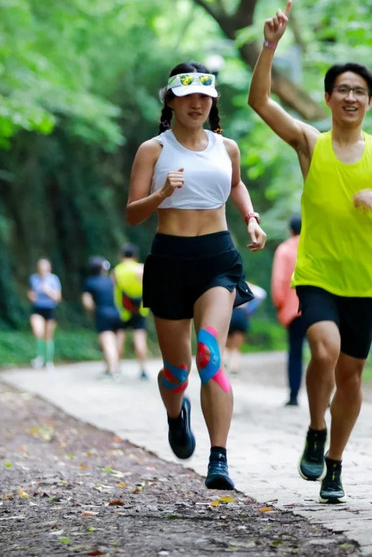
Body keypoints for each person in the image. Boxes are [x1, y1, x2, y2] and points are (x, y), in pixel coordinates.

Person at [248, 1, 372, 504]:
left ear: (369, 101)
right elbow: (260, 102)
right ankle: (314, 426)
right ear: (328, 98)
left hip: (363, 284)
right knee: (323, 351)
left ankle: (335, 464)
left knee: (350, 376)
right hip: (318, 274)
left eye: (360, 91)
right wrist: (270, 46)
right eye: (343, 89)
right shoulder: (310, 142)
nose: (351, 96)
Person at [126, 61, 267, 491]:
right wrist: (163, 193)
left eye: (205, 96)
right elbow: (133, 214)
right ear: (171, 100)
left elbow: (237, 184)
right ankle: (175, 413)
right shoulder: (153, 149)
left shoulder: (228, 148)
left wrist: (251, 217)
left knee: (209, 354)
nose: (197, 103)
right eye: (188, 96)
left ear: (213, 102)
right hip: (169, 258)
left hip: (217, 257)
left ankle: (219, 458)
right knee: (176, 370)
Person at [272, 212, 305, 407]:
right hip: (319, 308)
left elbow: (279, 281)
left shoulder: (284, 250)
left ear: (290, 229)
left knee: (295, 352)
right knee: (324, 352)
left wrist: (280, 304)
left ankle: (293, 396)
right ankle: (325, 396)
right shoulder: (316, 247)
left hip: (294, 312)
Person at [113, 243, 151, 380]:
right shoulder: (141, 268)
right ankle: (143, 369)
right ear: (135, 256)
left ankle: (116, 368)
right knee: (140, 339)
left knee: (120, 338)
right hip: (140, 310)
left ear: (122, 255)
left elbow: (115, 289)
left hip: (122, 310)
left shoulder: (117, 270)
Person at [82, 256, 123, 378]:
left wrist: (93, 310)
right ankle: (111, 367)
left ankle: (113, 371)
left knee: (108, 343)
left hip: (103, 315)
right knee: (116, 343)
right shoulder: (111, 280)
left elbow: (87, 302)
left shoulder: (89, 282)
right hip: (117, 314)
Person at [27, 258, 63, 369]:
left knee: (48, 336)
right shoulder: (33, 278)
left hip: (50, 309)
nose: (42, 269)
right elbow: (31, 292)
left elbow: (58, 298)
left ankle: (48, 361)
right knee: (38, 332)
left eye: (45, 267)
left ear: (49, 268)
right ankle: (39, 357)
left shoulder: (54, 279)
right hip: (37, 308)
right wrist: (31, 296)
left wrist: (47, 290)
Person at [225, 283, 267, 374]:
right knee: (236, 346)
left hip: (230, 313)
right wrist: (251, 309)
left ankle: (223, 365)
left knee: (226, 344)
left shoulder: (228, 283)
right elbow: (262, 294)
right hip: (242, 314)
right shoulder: (246, 285)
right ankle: (234, 367)